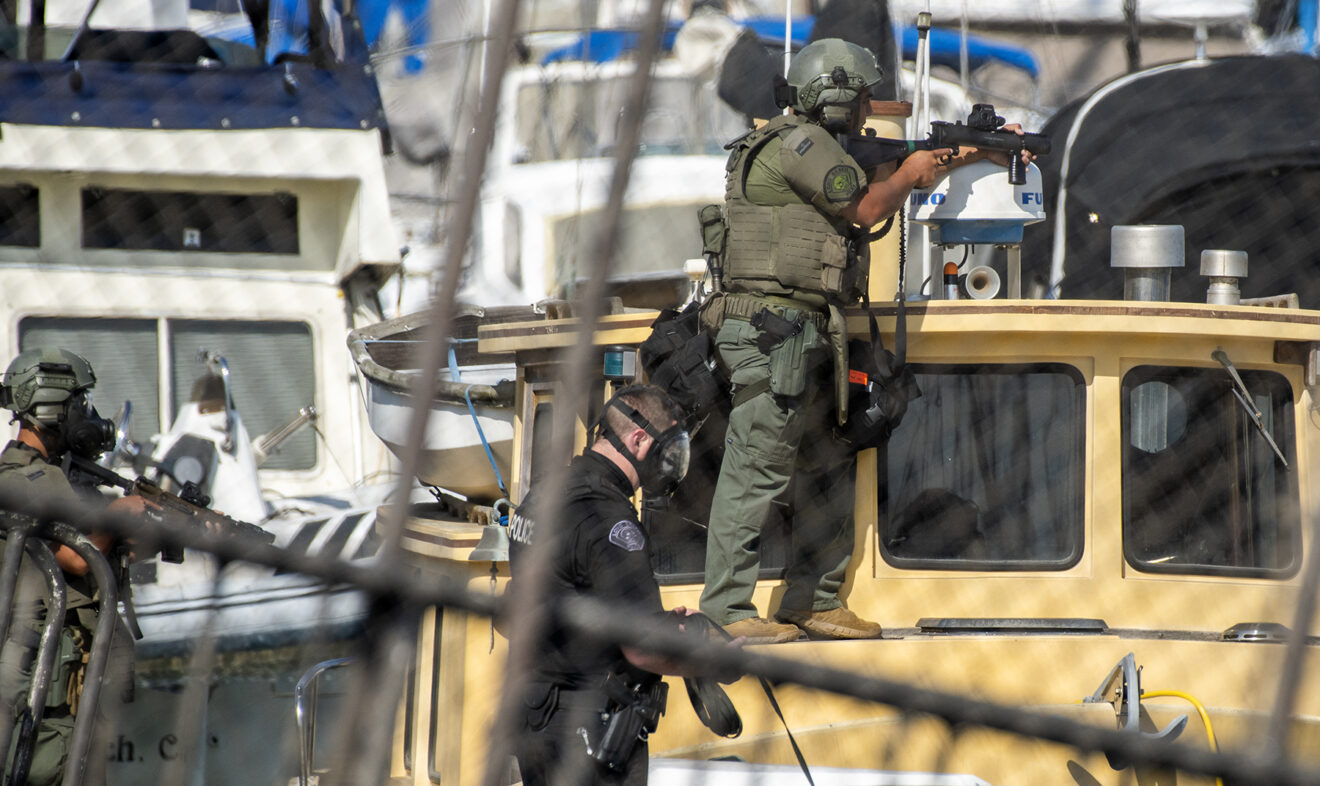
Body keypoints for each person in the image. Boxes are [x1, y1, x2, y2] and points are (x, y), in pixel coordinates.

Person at [699, 38, 1032, 643]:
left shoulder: (815, 145)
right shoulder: (797, 143)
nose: (865, 110)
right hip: (774, 331)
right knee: (756, 469)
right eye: (861, 98)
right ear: (836, 95)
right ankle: (726, 609)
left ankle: (814, 599)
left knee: (829, 465)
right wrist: (912, 171)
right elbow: (867, 203)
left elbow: (882, 166)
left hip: (807, 332)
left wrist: (968, 150)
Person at [507, 384, 727, 786]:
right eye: (669, 449)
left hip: (537, 722)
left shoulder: (543, 496)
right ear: (639, 439)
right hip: (590, 733)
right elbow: (642, 650)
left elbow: (567, 595)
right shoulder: (611, 523)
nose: (671, 462)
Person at [0, 347, 144, 786]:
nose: (87, 415)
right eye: (79, 403)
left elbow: (96, 551)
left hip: (66, 672)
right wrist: (121, 512)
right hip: (41, 679)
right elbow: (76, 556)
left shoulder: (52, 476)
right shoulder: (22, 481)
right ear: (51, 406)